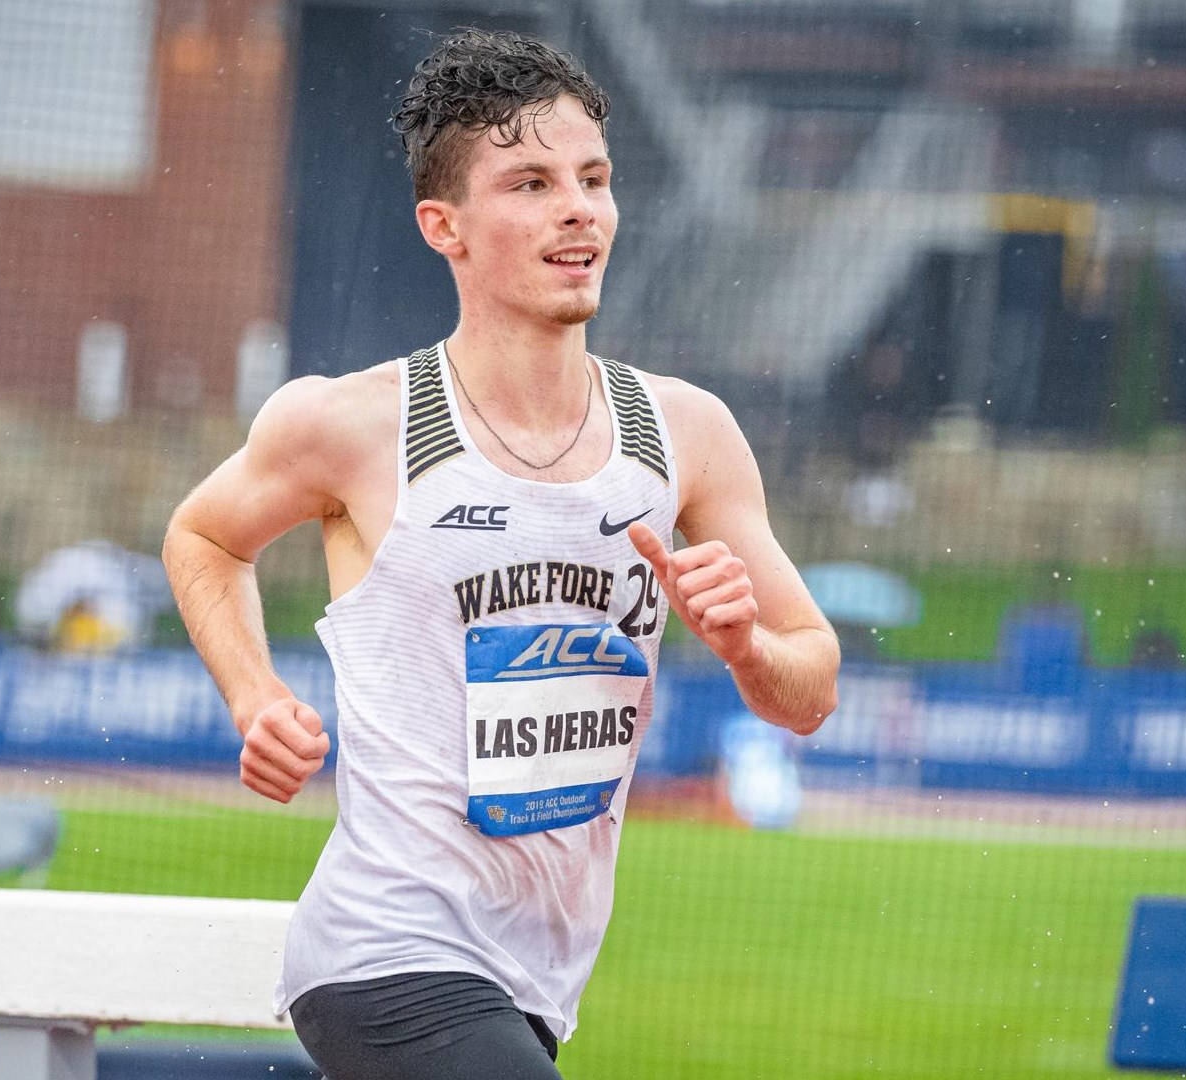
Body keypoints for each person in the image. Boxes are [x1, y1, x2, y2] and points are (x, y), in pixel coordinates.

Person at [163, 29, 839, 1079]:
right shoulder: (352, 425)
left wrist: (746, 645)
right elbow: (202, 535)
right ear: (446, 228)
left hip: (534, 977)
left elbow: (809, 688)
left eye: (594, 178)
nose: (578, 208)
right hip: (383, 953)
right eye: (529, 182)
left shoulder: (685, 435)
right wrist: (253, 697)